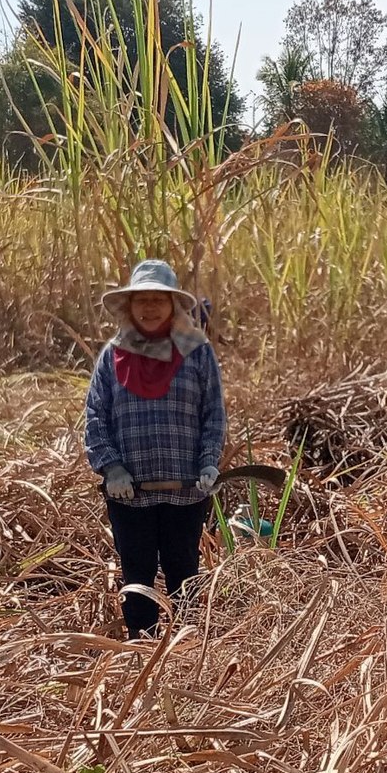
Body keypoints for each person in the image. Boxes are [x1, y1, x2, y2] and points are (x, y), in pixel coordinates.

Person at [83, 259, 227, 636]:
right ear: (130, 306)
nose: (150, 308)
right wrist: (112, 467)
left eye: (158, 300)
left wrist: (208, 462)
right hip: (130, 494)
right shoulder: (112, 356)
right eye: (142, 300)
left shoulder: (197, 352)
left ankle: (187, 647)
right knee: (137, 576)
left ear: (173, 305)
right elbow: (95, 415)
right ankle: (141, 649)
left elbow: (213, 413)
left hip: (185, 492)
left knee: (184, 572)